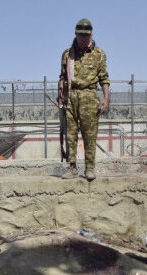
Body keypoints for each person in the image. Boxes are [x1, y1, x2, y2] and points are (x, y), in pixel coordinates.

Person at [59, 18, 110, 181]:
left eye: (86, 36)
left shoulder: (99, 54)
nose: (83, 38)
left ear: (91, 34)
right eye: (81, 35)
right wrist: (61, 95)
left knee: (90, 134)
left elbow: (104, 78)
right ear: (75, 34)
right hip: (71, 96)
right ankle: (71, 167)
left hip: (89, 95)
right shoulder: (68, 54)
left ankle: (89, 168)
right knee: (70, 134)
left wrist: (106, 99)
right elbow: (62, 77)